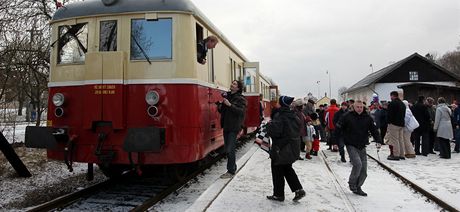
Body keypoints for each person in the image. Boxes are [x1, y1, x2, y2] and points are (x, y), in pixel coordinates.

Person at [335, 100, 381, 196]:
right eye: (357, 107)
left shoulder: (367, 118)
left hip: (362, 144)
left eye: (361, 107)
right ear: (353, 107)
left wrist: (378, 140)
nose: (359, 109)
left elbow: (373, 130)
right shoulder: (347, 116)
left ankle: (358, 186)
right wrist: (335, 142)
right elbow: (338, 129)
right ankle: (352, 184)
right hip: (351, 144)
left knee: (364, 170)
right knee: (357, 164)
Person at [266, 95, 305, 202]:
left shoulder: (280, 116)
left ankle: (278, 195)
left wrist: (268, 125)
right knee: (287, 168)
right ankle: (298, 189)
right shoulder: (294, 115)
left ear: (281, 104)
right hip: (292, 147)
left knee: (277, 169)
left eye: (278, 102)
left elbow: (275, 131)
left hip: (281, 148)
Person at [217, 80, 247, 178]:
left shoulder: (240, 99)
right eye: (232, 83)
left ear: (238, 88)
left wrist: (230, 105)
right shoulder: (227, 96)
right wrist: (220, 106)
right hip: (226, 125)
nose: (232, 84)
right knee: (228, 149)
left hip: (234, 126)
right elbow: (223, 111)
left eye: (234, 84)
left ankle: (230, 171)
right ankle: (232, 167)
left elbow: (240, 112)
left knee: (230, 149)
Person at [386, 91, 406, 161]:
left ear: (392, 96)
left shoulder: (392, 103)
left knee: (394, 140)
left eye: (391, 96)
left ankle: (396, 154)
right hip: (401, 124)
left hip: (394, 124)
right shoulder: (402, 104)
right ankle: (402, 154)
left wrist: (389, 122)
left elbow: (390, 114)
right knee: (401, 139)